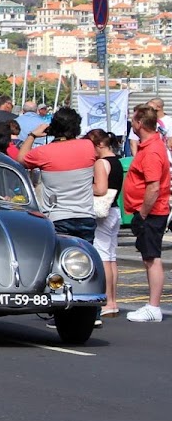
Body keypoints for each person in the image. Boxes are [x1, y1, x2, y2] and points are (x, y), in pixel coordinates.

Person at [17, 107, 96, 241]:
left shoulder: (43, 152)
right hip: (86, 216)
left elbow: (21, 159)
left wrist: (32, 135)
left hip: (57, 217)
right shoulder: (88, 146)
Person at [124, 104, 169, 323]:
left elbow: (153, 187)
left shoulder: (151, 150)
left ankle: (153, 306)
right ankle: (152, 305)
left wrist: (141, 214)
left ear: (140, 123)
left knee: (152, 258)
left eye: (133, 120)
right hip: (149, 211)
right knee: (149, 257)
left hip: (151, 212)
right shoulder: (149, 145)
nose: (132, 123)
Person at [86, 129, 122, 320]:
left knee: (103, 256)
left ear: (100, 144)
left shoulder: (101, 162)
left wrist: (84, 185)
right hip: (115, 209)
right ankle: (113, 301)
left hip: (103, 212)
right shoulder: (116, 161)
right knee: (111, 256)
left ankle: (107, 301)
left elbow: (100, 189)